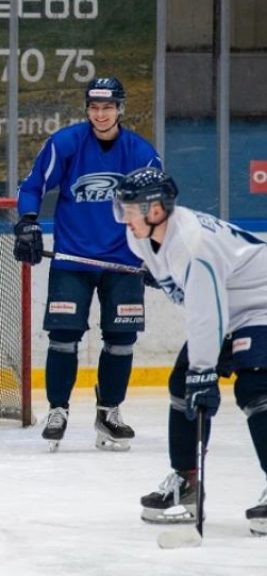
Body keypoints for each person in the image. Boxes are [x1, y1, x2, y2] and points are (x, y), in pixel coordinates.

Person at [114, 167, 267, 536]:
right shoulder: (141, 238)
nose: (124, 217)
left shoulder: (193, 245)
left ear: (155, 210)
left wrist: (204, 369)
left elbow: (205, 310)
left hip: (260, 304)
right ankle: (186, 481)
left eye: (131, 209)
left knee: (256, 389)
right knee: (183, 386)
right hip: (230, 309)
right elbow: (199, 298)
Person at [13, 77, 162, 452]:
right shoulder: (66, 143)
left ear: (120, 109)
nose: (101, 114)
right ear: (87, 109)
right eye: (94, 108)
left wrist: (159, 251)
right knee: (63, 337)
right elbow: (32, 186)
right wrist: (28, 221)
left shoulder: (140, 153)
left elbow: (157, 206)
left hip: (123, 262)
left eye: (108, 107)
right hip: (73, 261)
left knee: (121, 340)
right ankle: (57, 410)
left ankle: (109, 410)